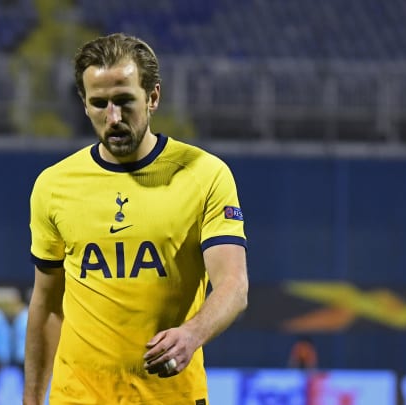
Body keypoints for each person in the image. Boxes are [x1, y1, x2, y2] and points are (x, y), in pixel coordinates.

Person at [23, 32, 249, 404]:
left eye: (124, 101)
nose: (112, 118)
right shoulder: (53, 185)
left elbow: (234, 285)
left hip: (171, 396)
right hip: (78, 396)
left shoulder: (205, 174)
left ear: (153, 97)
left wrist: (192, 334)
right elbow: (47, 304)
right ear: (84, 104)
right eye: (99, 104)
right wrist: (31, 398)